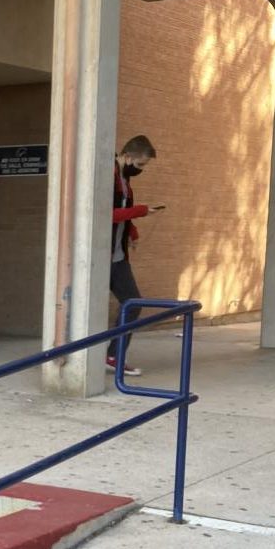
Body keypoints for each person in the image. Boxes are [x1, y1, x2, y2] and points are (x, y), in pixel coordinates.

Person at [108, 133, 165, 377]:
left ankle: (113, 356)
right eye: (140, 164)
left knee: (132, 303)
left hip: (118, 257)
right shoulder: (108, 175)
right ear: (128, 156)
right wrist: (141, 211)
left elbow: (122, 213)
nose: (141, 169)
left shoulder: (125, 180)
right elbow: (105, 214)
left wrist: (132, 232)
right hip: (100, 256)